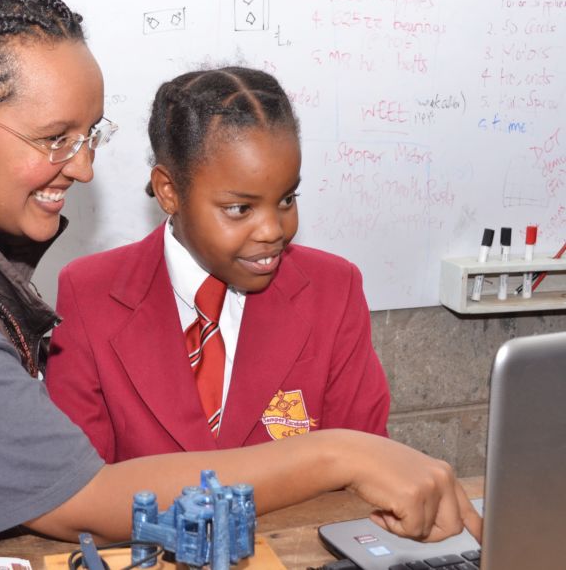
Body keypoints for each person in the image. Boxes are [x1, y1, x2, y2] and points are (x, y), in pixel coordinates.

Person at [0, 0, 480, 555]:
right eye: (55, 137)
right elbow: (87, 496)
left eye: (91, 135)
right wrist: (339, 454)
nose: (82, 168)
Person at [45, 67, 389, 464]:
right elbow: (80, 489)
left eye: (286, 199)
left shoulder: (333, 289)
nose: (272, 230)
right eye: (240, 208)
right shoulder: (90, 295)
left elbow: (367, 465)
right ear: (169, 192)